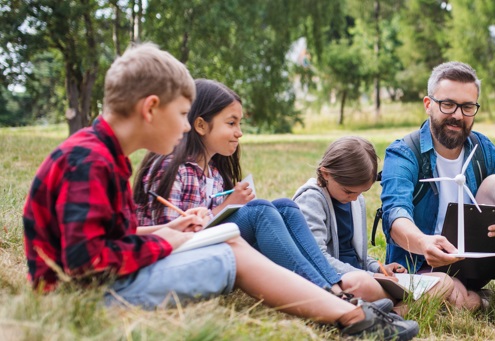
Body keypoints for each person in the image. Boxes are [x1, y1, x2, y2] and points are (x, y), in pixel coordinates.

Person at [21, 43, 418, 340]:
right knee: (228, 252)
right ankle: (349, 317)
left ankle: (344, 309)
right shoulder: (89, 162)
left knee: (229, 240)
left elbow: (109, 240)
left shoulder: (101, 156)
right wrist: (168, 242)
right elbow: (86, 265)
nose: (182, 127)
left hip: (99, 283)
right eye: (180, 115)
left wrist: (169, 231)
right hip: (85, 297)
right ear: (150, 108)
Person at [133, 79, 388, 303]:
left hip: (211, 246)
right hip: (176, 260)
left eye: (239, 123)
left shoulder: (212, 172)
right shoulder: (174, 169)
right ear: (201, 125)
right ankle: (326, 293)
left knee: (285, 206)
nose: (239, 132)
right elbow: (174, 237)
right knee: (259, 212)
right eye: (231, 123)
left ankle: (333, 283)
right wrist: (226, 207)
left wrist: (227, 207)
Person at [379, 61, 495, 311]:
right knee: (455, 297)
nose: (457, 115)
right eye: (448, 104)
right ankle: (480, 299)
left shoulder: (482, 148)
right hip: (421, 264)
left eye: (467, 107)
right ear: (428, 104)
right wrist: (424, 243)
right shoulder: (405, 152)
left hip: (474, 263)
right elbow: (395, 214)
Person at [292, 136, 455, 302]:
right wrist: (371, 275)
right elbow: (316, 258)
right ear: (326, 173)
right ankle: (398, 302)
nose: (355, 198)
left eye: (361, 192)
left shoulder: (355, 201)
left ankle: (396, 311)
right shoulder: (311, 200)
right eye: (349, 192)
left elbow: (356, 255)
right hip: (337, 281)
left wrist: (379, 268)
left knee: (444, 281)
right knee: (362, 284)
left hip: (364, 277)